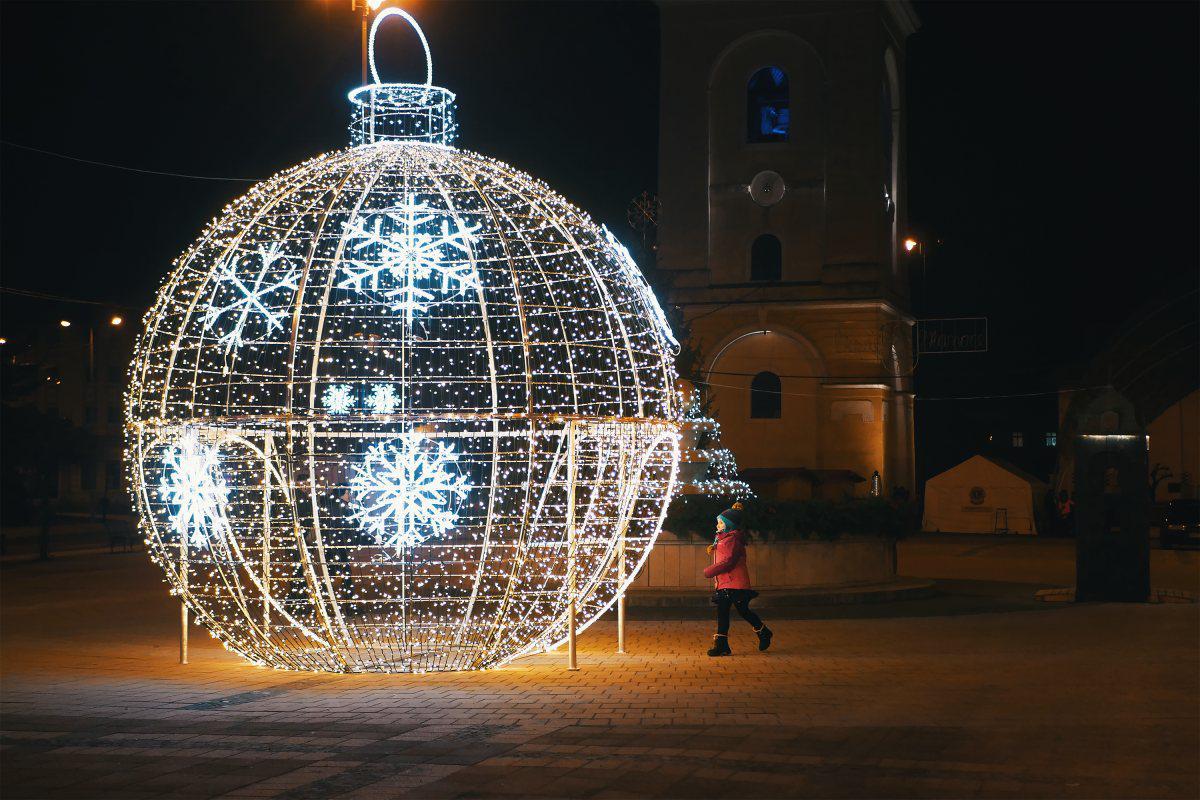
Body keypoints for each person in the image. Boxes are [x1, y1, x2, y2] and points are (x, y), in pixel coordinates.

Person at [703, 502, 772, 656]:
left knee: (724, 611)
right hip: (728, 581)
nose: (718, 525)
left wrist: (709, 571)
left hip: (733, 582)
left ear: (729, 525)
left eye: (721, 522)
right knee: (742, 610)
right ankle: (763, 632)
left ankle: (722, 645)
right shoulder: (724, 538)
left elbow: (729, 562)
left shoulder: (732, 540)